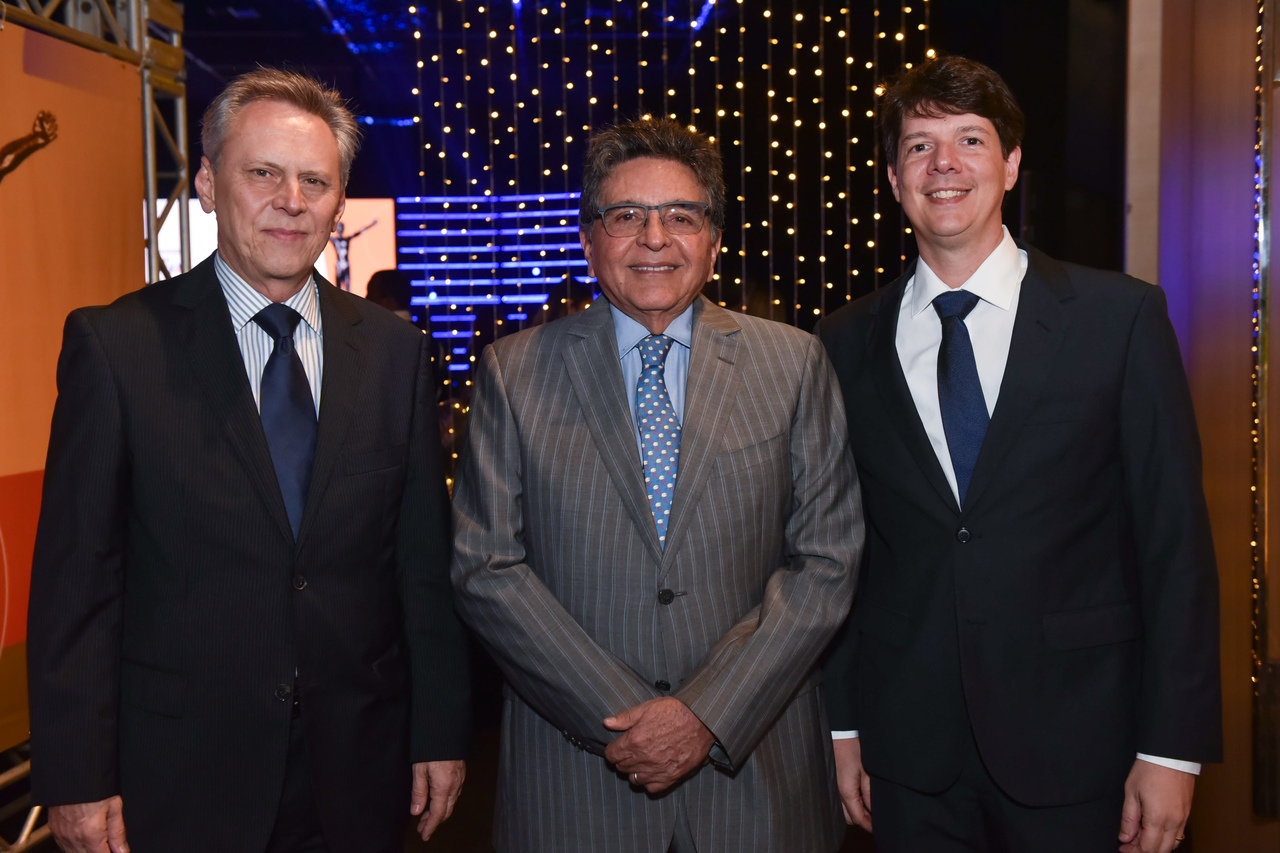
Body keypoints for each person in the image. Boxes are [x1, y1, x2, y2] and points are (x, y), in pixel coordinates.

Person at [27, 68, 470, 853]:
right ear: (206, 183)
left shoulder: (395, 354)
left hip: (358, 774)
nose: (290, 200)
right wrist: (76, 775)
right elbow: (77, 586)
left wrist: (439, 728)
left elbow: (420, 567)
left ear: (338, 202)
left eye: (315, 180)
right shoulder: (116, 347)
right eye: (262, 173)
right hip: (177, 778)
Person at [815, 55, 1221, 853]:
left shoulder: (1120, 318)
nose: (945, 164)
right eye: (920, 145)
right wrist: (843, 724)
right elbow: (841, 550)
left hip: (1082, 744)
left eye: (970, 139)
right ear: (896, 178)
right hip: (908, 752)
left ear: (1010, 164)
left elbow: (1174, 544)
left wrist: (1171, 746)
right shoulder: (841, 340)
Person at [451, 117, 864, 853]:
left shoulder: (794, 362)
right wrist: (629, 719)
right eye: (626, 216)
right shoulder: (512, 372)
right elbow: (486, 566)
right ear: (588, 239)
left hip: (757, 782)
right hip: (578, 781)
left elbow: (827, 560)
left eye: (681, 216)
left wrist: (704, 714)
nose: (654, 238)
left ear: (712, 238)